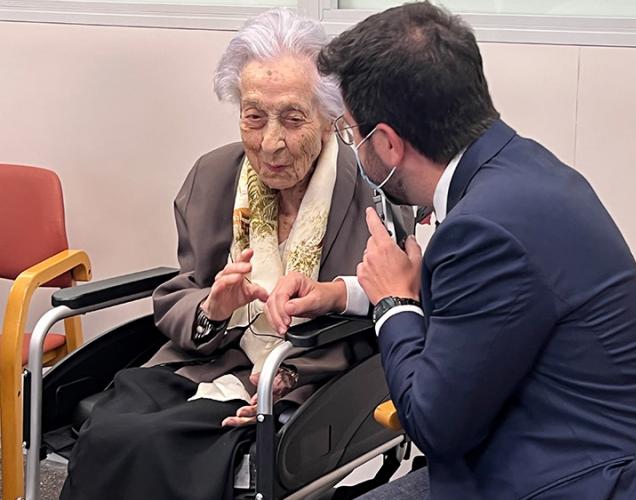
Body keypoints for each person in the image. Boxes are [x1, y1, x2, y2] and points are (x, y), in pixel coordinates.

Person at [267, 2, 636, 499]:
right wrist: (345, 293)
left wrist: (393, 305)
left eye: (351, 132)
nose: (352, 146)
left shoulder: (485, 228)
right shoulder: (515, 166)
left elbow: (433, 427)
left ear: (390, 144)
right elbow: (483, 311)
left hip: (603, 479)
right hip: (567, 443)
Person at [59, 9, 410, 500]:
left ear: (331, 118)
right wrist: (213, 309)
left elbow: (385, 319)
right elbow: (182, 291)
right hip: (201, 364)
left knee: (159, 443)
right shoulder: (213, 176)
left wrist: (284, 376)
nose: (271, 143)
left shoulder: (371, 193)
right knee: (111, 432)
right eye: (253, 116)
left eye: (292, 118)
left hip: (304, 381)